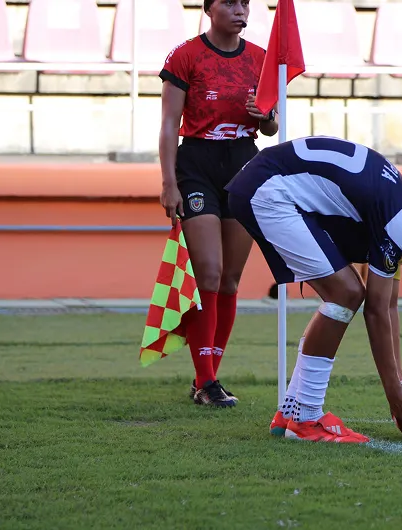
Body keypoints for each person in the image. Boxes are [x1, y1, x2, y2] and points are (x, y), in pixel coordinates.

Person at [226, 136, 402, 442]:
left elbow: (389, 306)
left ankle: (291, 412)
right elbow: (375, 311)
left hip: (267, 184)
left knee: (347, 292)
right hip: (268, 189)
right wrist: (393, 392)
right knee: (346, 293)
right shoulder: (397, 219)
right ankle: (307, 418)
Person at [158, 0, 278, 407]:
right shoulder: (185, 55)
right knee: (207, 273)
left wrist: (264, 117)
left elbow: (271, 125)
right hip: (196, 165)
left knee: (229, 280)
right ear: (209, 9)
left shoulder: (261, 60)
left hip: (244, 163)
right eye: (229, 2)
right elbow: (168, 125)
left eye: (245, 3)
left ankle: (205, 379)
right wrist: (168, 182)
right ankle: (206, 382)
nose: (240, 10)